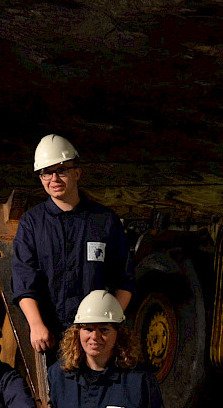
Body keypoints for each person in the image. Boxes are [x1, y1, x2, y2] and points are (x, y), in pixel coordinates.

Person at [12, 134, 134, 353]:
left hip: (94, 338)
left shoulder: (105, 221)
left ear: (77, 173)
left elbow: (124, 280)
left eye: (61, 170)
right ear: (40, 178)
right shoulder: (31, 223)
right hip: (48, 335)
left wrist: (107, 326)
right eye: (47, 172)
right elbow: (23, 279)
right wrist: (36, 325)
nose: (54, 178)